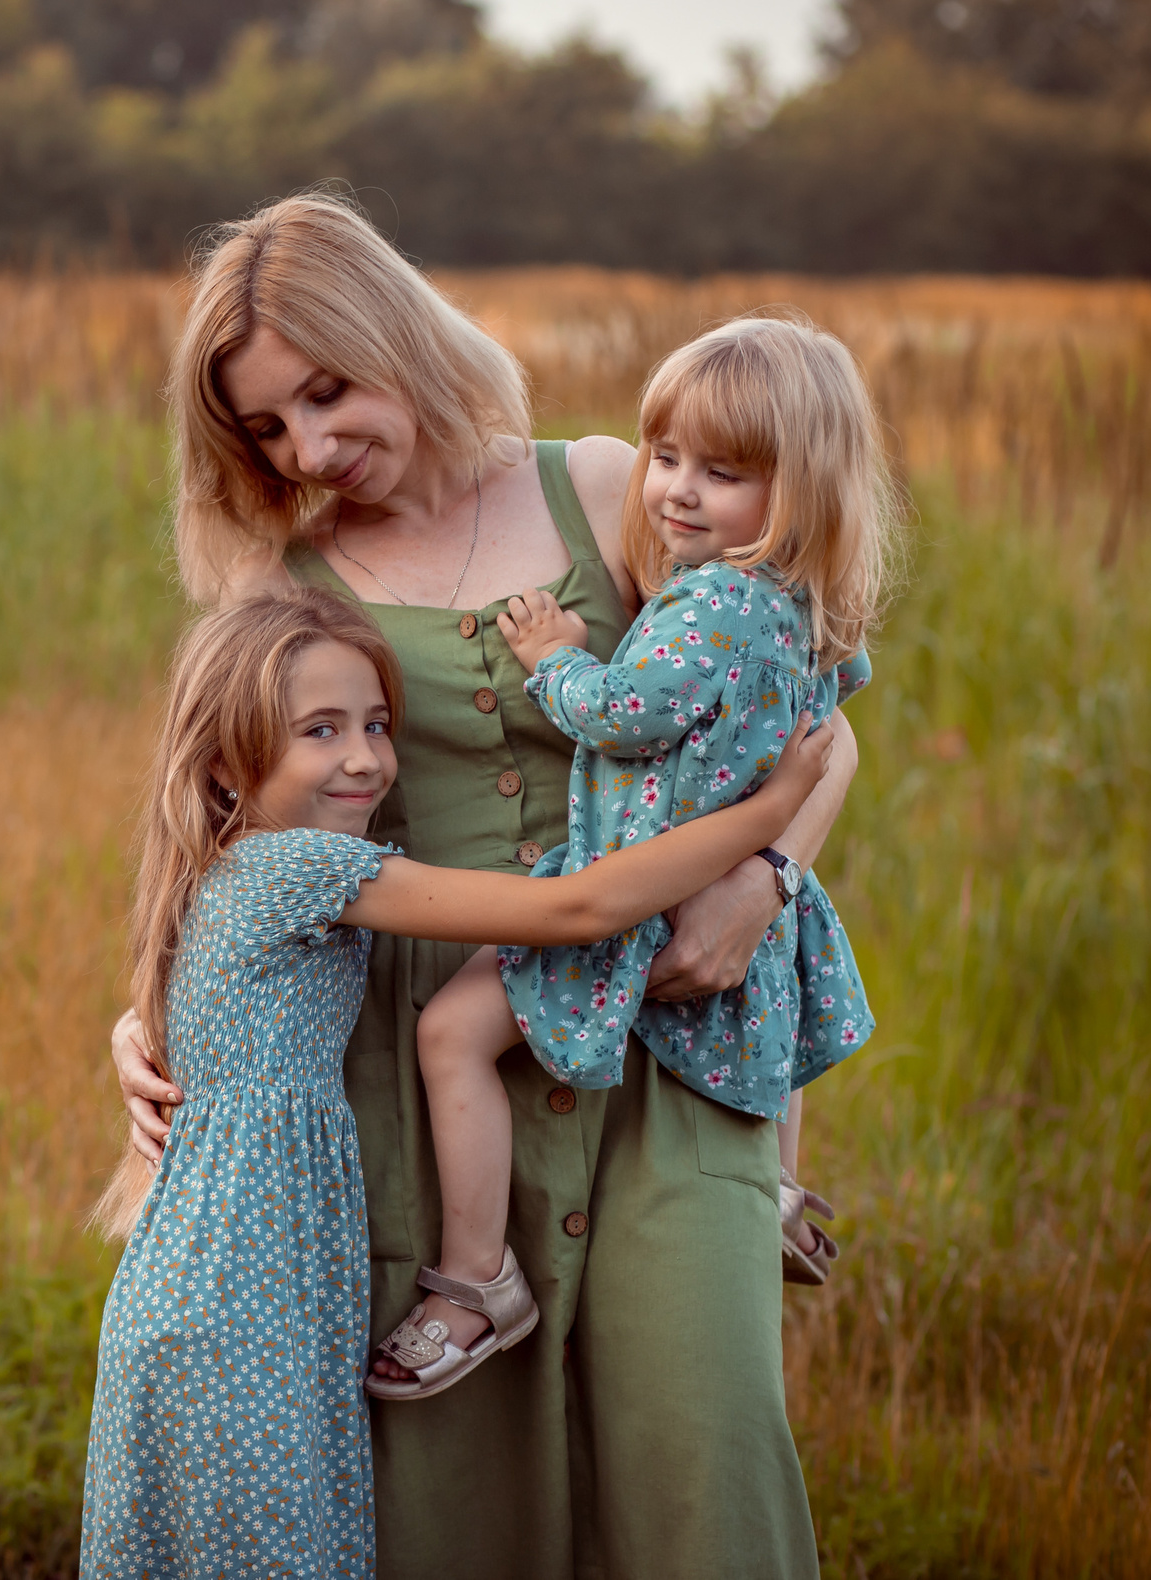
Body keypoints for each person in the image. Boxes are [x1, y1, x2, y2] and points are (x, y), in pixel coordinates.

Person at [110, 193, 860, 1577]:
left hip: (666, 1045)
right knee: (462, 1509)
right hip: (423, 1079)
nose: (310, 449)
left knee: (706, 1463)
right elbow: (220, 828)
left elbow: (818, 726)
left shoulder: (609, 487)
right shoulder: (283, 584)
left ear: (394, 333)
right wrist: (145, 1022)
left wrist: (764, 876)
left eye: (326, 393)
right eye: (267, 428)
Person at [80, 588, 838, 1578]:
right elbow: (575, 910)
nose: (365, 758)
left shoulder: (222, 869)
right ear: (226, 762)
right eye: (321, 731)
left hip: (229, 1291)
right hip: (233, 1309)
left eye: (377, 725)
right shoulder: (296, 869)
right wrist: (771, 815)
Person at [375, 313, 898, 1401]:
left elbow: (619, 716)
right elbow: (829, 708)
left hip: (635, 889)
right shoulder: (804, 605)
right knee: (765, 1025)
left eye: (724, 474)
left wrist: (555, 658)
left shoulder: (707, 606)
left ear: (801, 490)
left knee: (451, 1033)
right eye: (665, 458)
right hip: (730, 890)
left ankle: (475, 1280)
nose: (676, 492)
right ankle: (778, 1192)